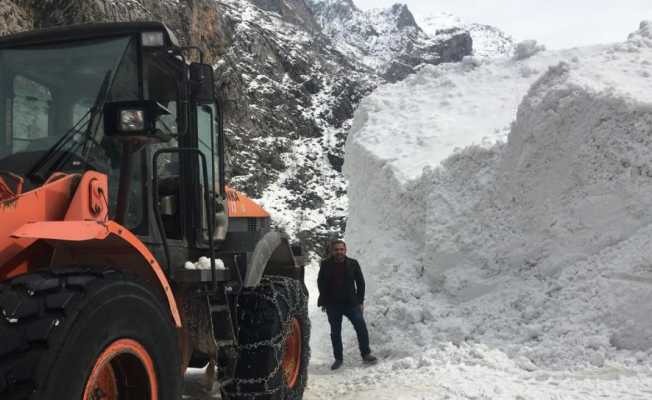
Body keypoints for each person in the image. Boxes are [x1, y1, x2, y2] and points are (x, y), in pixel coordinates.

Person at [317, 239, 378, 370]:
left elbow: (361, 283)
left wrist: (360, 301)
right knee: (335, 332)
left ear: (345, 250)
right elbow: (321, 283)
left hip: (351, 304)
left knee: (361, 327)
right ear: (332, 251)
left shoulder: (353, 263)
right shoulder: (325, 264)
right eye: (336, 250)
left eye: (341, 249)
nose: (339, 252)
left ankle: (366, 353)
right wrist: (324, 301)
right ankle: (338, 358)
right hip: (333, 305)